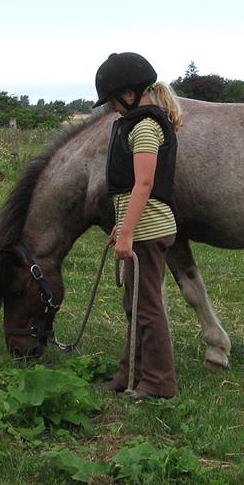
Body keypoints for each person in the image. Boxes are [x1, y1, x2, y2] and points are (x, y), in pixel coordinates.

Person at [93, 52, 184, 400]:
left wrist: (129, 232)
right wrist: (122, 226)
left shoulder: (146, 126)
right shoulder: (134, 123)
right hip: (138, 228)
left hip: (148, 230)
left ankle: (159, 382)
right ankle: (129, 374)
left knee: (147, 306)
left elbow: (143, 184)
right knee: (135, 304)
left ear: (129, 95)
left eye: (113, 101)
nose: (112, 109)